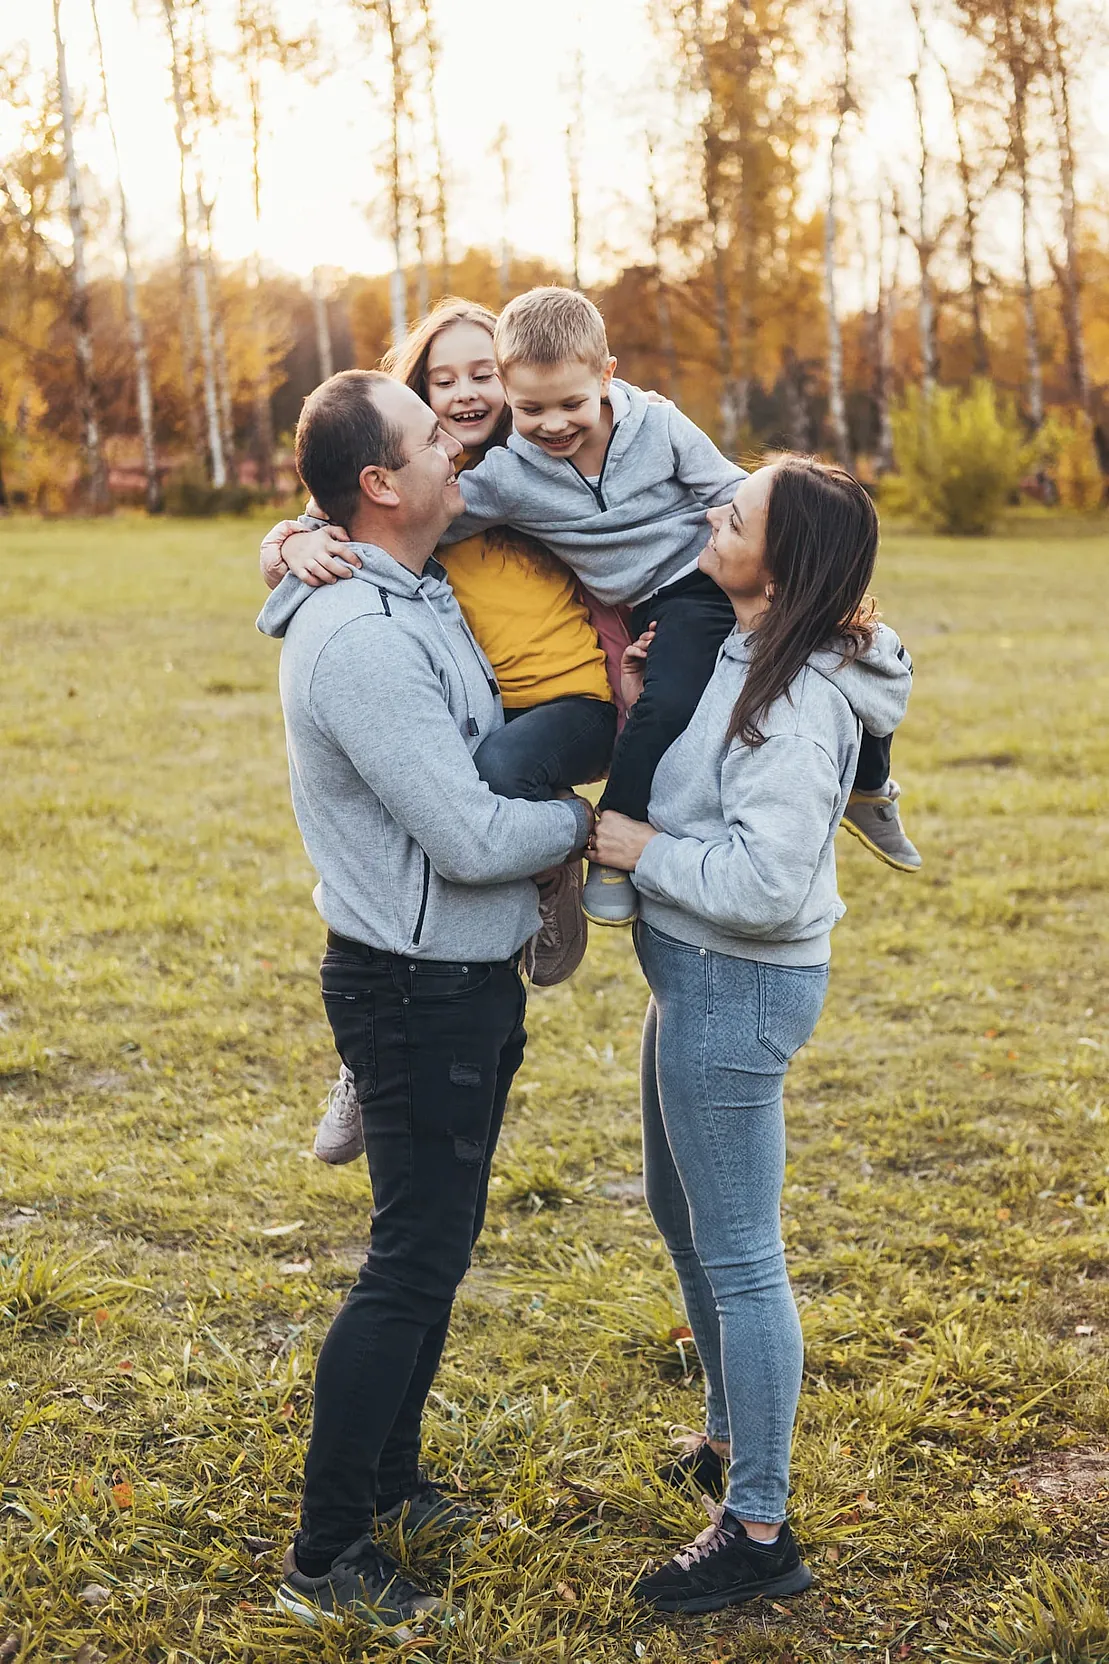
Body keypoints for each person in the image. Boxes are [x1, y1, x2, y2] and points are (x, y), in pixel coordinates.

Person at [256, 368, 592, 1635]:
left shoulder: (413, 589)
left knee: (433, 1252)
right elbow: (459, 829)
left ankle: (393, 1486)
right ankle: (327, 1551)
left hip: (463, 972)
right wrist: (577, 823)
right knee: (407, 1262)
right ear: (378, 483)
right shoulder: (359, 635)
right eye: (429, 439)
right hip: (411, 984)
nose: (461, 449)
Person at [274, 291, 920, 934]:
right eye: (530, 408)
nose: (552, 424)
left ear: (604, 376)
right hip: (644, 614)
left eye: (569, 404)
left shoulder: (655, 425)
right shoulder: (501, 478)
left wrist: (786, 550)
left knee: (856, 648)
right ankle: (611, 853)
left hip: (708, 572)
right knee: (679, 708)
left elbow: (734, 493)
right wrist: (294, 537)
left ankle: (867, 786)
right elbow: (376, 505)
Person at [588, 456, 912, 1614]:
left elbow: (771, 878)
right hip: (693, 973)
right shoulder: (739, 643)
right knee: (681, 1214)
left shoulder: (795, 695)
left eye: (734, 514)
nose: (710, 513)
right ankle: (728, 1439)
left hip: (735, 979)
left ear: (782, 566)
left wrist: (640, 854)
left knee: (739, 1257)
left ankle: (760, 1527)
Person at [262, 298, 623, 1166]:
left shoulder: (551, 459)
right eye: (439, 380)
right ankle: (371, 1062)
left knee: (488, 800)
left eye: (483, 374)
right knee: (438, 825)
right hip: (483, 707)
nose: (463, 396)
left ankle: (548, 877)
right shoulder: (422, 491)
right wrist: (289, 540)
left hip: (567, 697)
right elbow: (341, 501)